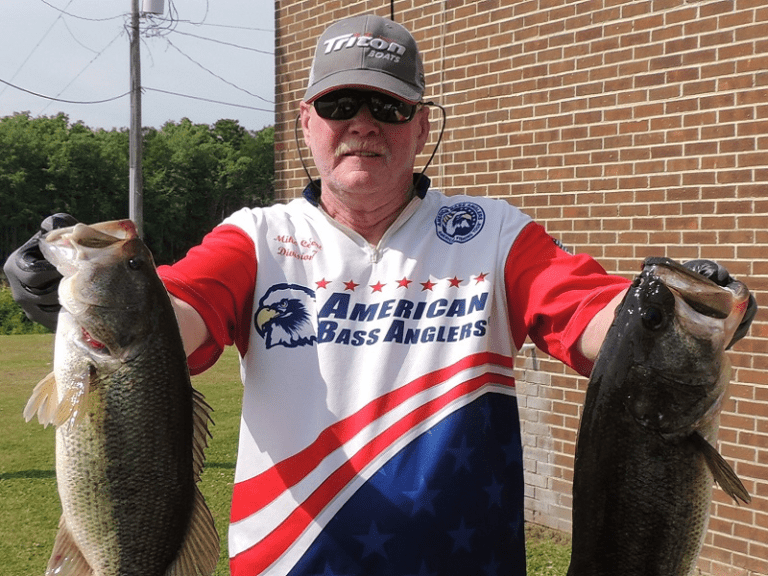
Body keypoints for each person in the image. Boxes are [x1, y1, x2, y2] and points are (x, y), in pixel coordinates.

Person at [3, 13, 756, 576]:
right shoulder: (258, 236)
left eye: (389, 108)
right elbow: (173, 323)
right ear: (306, 122)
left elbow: (597, 319)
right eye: (340, 106)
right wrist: (80, 292)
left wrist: (689, 318)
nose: (363, 125)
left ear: (422, 127)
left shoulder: (493, 233)